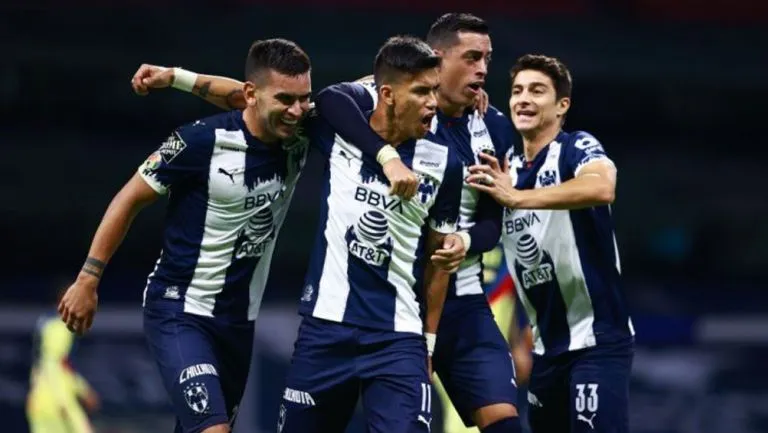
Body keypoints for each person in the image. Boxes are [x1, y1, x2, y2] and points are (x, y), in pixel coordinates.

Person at [57, 38, 316, 433]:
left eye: (304, 99)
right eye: (285, 99)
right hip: (180, 311)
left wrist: (176, 77)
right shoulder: (198, 142)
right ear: (252, 94)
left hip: (238, 322)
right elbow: (128, 200)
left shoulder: (298, 132)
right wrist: (88, 278)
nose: (297, 111)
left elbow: (250, 98)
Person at [313, 13, 522, 433]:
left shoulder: (495, 128)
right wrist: (386, 155)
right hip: (389, 304)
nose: (483, 68)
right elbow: (327, 101)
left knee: (506, 424)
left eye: (488, 58)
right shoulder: (384, 108)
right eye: (472, 57)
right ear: (437, 60)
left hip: (462, 302)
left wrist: (465, 239)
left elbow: (491, 223)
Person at [466, 53, 634, 433]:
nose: (524, 98)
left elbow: (603, 186)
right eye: (517, 91)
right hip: (545, 351)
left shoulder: (574, 148)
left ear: (562, 106)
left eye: (537, 91)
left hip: (596, 343)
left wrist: (518, 198)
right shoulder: (504, 167)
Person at [27, 289, 100, 433]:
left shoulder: (47, 324)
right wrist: (80, 393)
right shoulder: (59, 328)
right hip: (55, 403)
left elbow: (49, 364)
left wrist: (83, 390)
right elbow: (55, 362)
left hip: (39, 401)